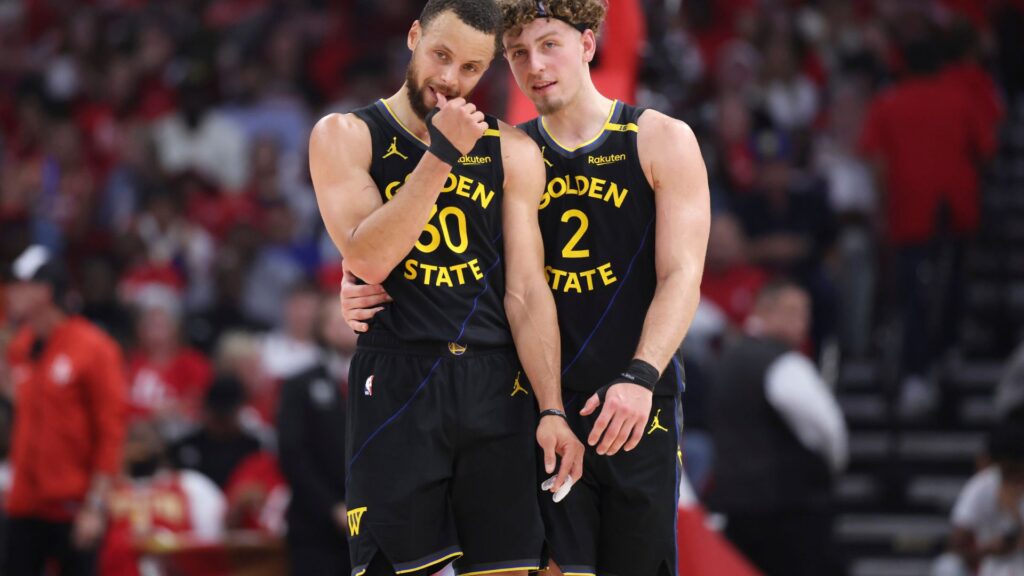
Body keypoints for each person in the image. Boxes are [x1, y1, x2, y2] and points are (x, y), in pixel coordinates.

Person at [342, 2, 711, 574]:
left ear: (588, 44)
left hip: (634, 402)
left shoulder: (661, 138)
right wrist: (357, 284)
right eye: (517, 54)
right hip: (533, 407)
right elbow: (452, 258)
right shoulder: (508, 148)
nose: (534, 65)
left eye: (549, 45)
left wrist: (642, 375)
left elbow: (682, 275)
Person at [309, 1, 582, 575]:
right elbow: (370, 258)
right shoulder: (344, 134)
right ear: (413, 37)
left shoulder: (513, 150)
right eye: (440, 55)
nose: (450, 79)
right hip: (399, 379)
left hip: (495, 383)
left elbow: (528, 292)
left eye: (470, 68)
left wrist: (552, 407)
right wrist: (441, 155)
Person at [708, 281, 848, 576]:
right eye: (793, 311)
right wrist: (830, 470)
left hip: (736, 504)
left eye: (806, 313)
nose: (803, 322)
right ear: (764, 310)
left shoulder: (727, 359)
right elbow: (827, 428)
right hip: (790, 510)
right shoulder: (783, 362)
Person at [4, 245, 128, 576]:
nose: (9, 293)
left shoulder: (94, 348)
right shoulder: (21, 346)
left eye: (18, 285)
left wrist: (96, 507)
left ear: (44, 291)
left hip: (73, 508)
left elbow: (110, 432)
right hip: (25, 504)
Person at [278, 296, 354, 576]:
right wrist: (332, 507)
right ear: (321, 329)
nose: (343, 327)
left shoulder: (388, 381)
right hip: (315, 526)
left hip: (379, 524)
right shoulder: (299, 385)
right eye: (334, 321)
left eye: (348, 318)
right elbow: (292, 453)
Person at [99, 419, 225, 576]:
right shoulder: (107, 490)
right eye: (133, 440)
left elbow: (211, 542)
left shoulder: (191, 484)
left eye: (145, 439)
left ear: (161, 445)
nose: (139, 447)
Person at [942, 420, 1024, 576]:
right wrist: (986, 550)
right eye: (1009, 471)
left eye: (1019, 470)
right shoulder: (983, 485)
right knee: (947, 566)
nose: (1015, 478)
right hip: (994, 568)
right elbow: (956, 546)